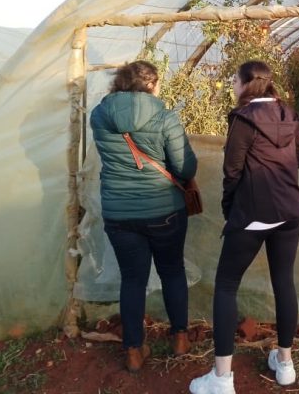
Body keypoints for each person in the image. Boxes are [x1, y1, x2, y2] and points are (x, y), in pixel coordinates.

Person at [190, 60, 299, 394]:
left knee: (226, 285)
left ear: (245, 84)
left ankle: (222, 379)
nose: (233, 87)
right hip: (289, 212)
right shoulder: (289, 114)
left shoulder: (243, 119)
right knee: (284, 282)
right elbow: (298, 159)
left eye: (234, 81)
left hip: (253, 214)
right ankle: (285, 364)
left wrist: (230, 208)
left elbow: (232, 172)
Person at [90, 60, 197, 372]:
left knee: (133, 280)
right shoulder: (165, 117)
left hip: (119, 213)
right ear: (152, 85)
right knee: (172, 271)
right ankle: (179, 338)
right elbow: (185, 169)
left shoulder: (100, 115)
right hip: (164, 210)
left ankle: (134, 351)